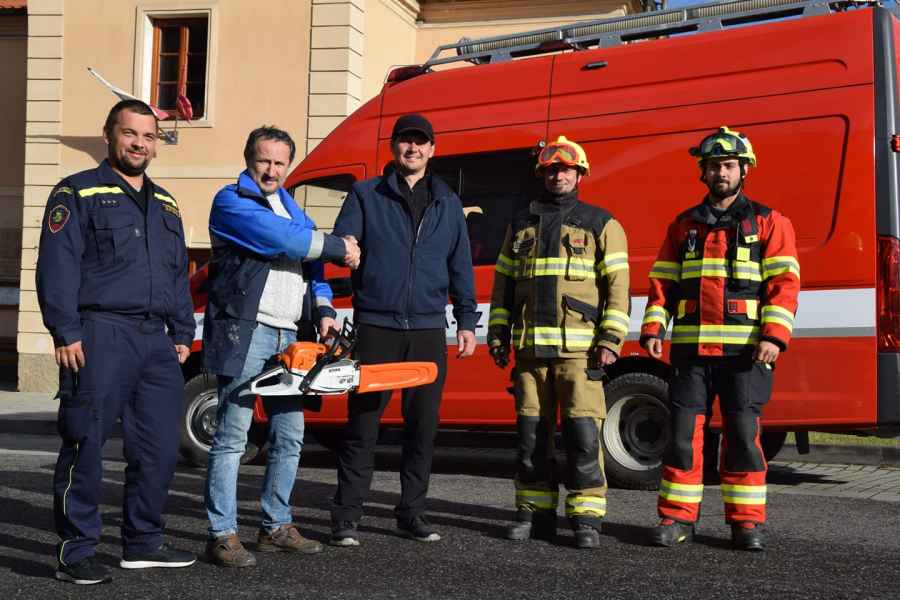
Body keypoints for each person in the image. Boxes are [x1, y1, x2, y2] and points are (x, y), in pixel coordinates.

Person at [36, 99, 197, 584]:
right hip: (99, 333)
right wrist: (65, 330)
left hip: (156, 341)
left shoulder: (166, 203)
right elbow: (58, 265)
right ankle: (76, 552)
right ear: (108, 134)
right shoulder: (77, 191)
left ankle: (143, 541)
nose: (139, 144)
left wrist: (183, 331)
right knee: (85, 442)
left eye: (148, 136)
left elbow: (177, 272)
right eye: (130, 134)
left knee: (159, 448)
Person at [202, 126, 360, 567]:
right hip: (246, 332)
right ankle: (221, 534)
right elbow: (286, 241)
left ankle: (275, 526)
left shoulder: (291, 207)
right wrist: (341, 246)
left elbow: (313, 268)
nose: (271, 170)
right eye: (263, 161)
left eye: (279, 163)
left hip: (290, 336)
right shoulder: (231, 201)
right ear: (248, 160)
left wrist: (324, 310)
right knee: (232, 437)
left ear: (289, 165)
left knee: (290, 437)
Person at [640, 126, 800, 551]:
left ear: (744, 170)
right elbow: (663, 282)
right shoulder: (684, 225)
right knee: (681, 437)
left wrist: (774, 337)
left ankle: (746, 524)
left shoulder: (769, 222)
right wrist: (654, 327)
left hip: (745, 354)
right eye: (714, 166)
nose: (721, 173)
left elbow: (784, 284)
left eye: (729, 165)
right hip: (691, 354)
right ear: (704, 172)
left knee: (743, 437)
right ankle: (677, 519)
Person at [328, 113, 477, 546]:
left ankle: (412, 513)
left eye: (420, 142)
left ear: (432, 149)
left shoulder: (448, 201)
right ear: (394, 147)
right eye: (405, 141)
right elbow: (344, 241)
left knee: (422, 428)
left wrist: (466, 320)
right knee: (363, 425)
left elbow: (461, 265)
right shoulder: (365, 194)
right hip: (377, 324)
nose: (412, 148)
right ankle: (347, 516)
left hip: (427, 330)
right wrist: (347, 249)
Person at [486, 135, 630, 549]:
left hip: (580, 355)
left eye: (566, 169)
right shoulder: (521, 224)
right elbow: (503, 286)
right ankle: (534, 512)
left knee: (583, 437)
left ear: (580, 174)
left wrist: (611, 340)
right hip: (531, 353)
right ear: (542, 174)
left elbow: (618, 287)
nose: (558, 176)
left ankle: (586, 517)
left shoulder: (601, 223)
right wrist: (497, 335)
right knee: (531, 438)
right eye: (551, 170)